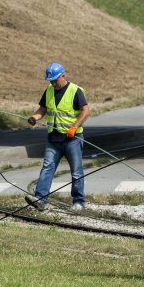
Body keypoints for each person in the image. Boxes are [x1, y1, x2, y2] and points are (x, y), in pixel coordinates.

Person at [24, 62, 90, 212]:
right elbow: (43, 109)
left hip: (72, 139)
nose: (53, 83)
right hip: (53, 139)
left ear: (63, 76)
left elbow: (86, 111)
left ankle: (79, 202)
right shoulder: (49, 90)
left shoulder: (75, 91)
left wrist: (74, 127)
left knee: (76, 171)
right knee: (47, 167)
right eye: (51, 81)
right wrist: (34, 118)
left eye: (55, 80)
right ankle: (40, 200)